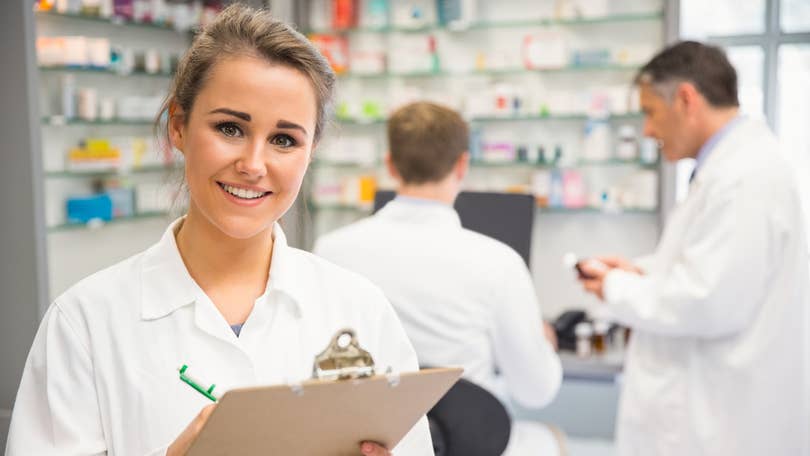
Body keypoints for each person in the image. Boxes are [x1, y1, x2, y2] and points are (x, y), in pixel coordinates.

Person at [5, 5, 432, 456]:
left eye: (284, 140)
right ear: (179, 127)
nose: (252, 165)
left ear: (312, 151)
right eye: (230, 128)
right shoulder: (86, 323)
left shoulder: (359, 308)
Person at [577, 41, 810, 456]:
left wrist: (616, 287)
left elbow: (709, 301)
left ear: (686, 99)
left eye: (650, 112)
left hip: (721, 427)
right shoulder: (729, 171)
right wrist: (638, 273)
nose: (648, 130)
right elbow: (707, 267)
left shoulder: (745, 178)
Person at [314, 102, 564, 455]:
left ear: (390, 165)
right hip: (470, 444)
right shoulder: (498, 263)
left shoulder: (332, 250)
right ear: (462, 165)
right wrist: (545, 342)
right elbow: (536, 391)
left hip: (367, 444)